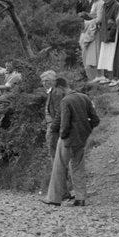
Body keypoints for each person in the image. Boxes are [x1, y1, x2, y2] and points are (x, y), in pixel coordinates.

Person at [43, 80, 100, 207]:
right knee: (78, 167)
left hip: (68, 139)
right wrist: (86, 130)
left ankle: (54, 198)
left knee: (59, 167)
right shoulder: (84, 97)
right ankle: (80, 198)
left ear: (60, 87)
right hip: (81, 139)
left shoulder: (65, 101)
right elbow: (95, 120)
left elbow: (64, 123)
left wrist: (62, 135)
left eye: (56, 89)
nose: (55, 92)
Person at [41, 71, 70, 199]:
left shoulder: (56, 92)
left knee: (56, 159)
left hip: (54, 128)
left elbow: (60, 112)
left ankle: (62, 191)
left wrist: (53, 127)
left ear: (52, 81)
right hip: (54, 126)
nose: (44, 84)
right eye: (43, 81)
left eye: (46, 81)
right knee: (58, 159)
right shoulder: (55, 91)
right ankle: (63, 190)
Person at [93, 0, 119, 84]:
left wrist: (110, 34)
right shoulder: (104, 6)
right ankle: (108, 77)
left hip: (112, 35)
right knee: (106, 57)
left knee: (113, 57)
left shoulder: (116, 6)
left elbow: (116, 23)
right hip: (104, 34)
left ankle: (115, 78)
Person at [80, 0, 103, 81]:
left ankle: (100, 75)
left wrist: (87, 22)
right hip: (91, 30)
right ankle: (94, 76)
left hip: (97, 31)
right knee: (91, 54)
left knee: (97, 53)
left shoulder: (100, 3)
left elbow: (99, 19)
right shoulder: (94, 3)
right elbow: (93, 15)